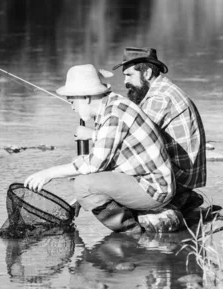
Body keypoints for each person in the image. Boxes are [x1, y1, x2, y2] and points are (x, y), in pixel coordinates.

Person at [24, 64, 176, 233]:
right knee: (83, 178)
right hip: (147, 182)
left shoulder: (113, 114)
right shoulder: (112, 106)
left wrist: (48, 173)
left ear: (86, 98)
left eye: (72, 100)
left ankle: (131, 232)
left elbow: (93, 165)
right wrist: (80, 198)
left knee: (83, 183)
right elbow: (102, 162)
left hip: (154, 190)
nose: (72, 107)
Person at [113, 47, 207, 220]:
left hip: (179, 178)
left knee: (110, 178)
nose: (125, 82)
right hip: (184, 174)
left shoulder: (159, 98)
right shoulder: (161, 90)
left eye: (129, 75)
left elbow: (133, 139)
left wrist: (92, 135)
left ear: (147, 73)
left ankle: (131, 229)